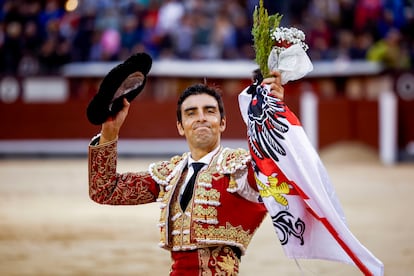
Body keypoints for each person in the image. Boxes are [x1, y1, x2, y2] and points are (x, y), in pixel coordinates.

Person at [88, 71, 284, 275]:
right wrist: (110, 130)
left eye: (209, 111)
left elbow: (277, 168)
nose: (201, 118)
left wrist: (275, 111)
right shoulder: (169, 175)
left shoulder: (241, 168)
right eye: (191, 113)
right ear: (181, 127)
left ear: (222, 122)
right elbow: (105, 190)